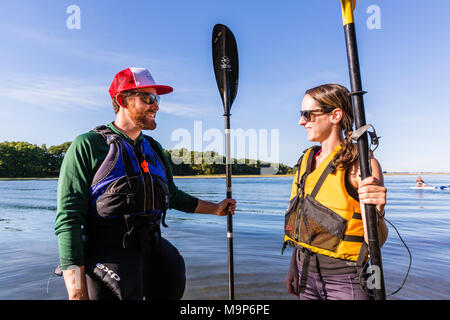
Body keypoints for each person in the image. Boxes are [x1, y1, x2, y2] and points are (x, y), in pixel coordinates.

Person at [54, 67, 236, 300]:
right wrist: (77, 293)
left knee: (173, 269)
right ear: (122, 100)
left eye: (156, 98)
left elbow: (172, 195)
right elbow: (68, 220)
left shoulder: (154, 148)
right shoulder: (88, 145)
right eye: (147, 98)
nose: (156, 105)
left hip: (152, 251)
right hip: (107, 257)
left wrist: (216, 209)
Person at [283, 84, 388, 300]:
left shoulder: (361, 165)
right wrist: (293, 266)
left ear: (335, 115)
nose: (301, 121)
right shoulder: (305, 161)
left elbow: (378, 241)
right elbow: (302, 220)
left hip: (347, 278)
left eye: (307, 114)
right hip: (305, 272)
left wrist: (378, 210)